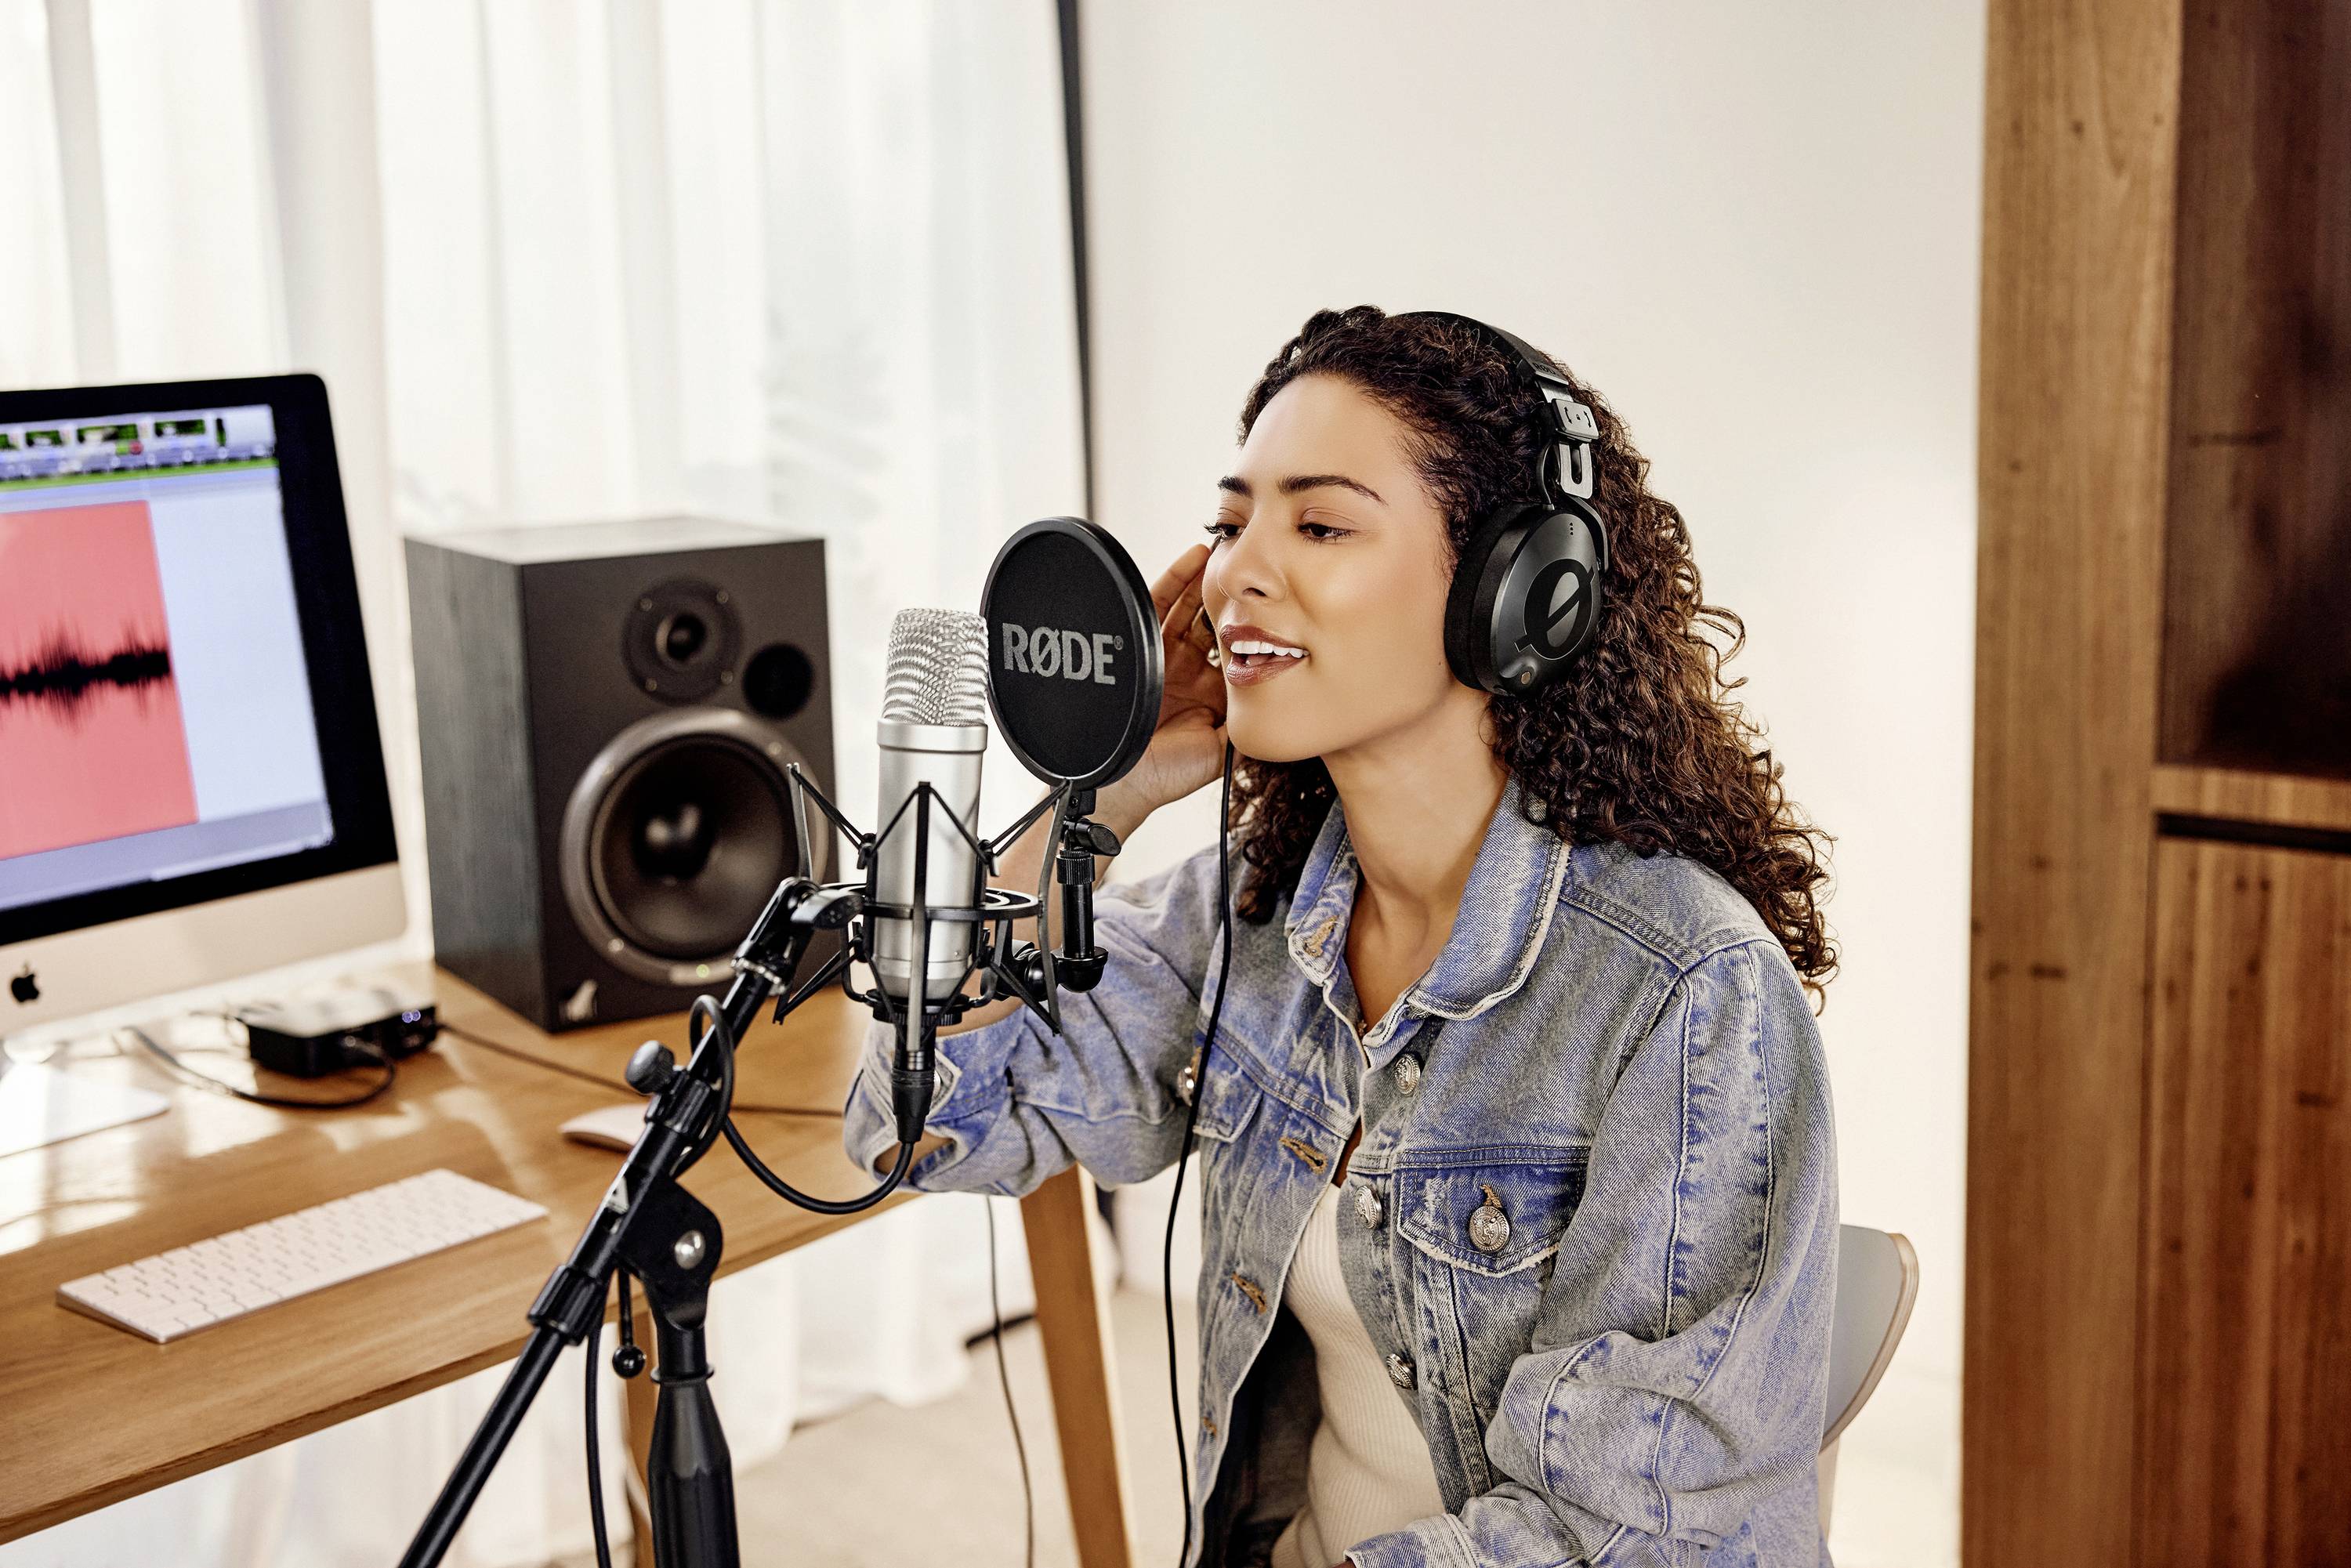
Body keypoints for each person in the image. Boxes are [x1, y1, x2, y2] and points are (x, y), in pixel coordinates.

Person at [844, 305, 1841, 1567]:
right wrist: (1100, 797)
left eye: (1318, 523)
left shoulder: (1687, 995)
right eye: (1229, 522)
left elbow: (1626, 1540)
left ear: (1517, 592)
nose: (1233, 573)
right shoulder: (1258, 911)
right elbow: (929, 1119)